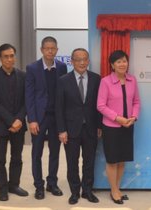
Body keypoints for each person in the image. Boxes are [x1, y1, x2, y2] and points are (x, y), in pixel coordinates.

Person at [56, 48, 101, 205]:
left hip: (91, 128)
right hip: (70, 129)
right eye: (78, 59)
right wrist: (61, 130)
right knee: (72, 162)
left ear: (88, 61)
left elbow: (99, 105)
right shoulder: (63, 80)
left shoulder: (97, 79)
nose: (82, 62)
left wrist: (99, 126)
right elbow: (59, 108)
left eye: (85, 59)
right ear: (72, 61)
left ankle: (87, 191)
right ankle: (74, 192)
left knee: (89, 162)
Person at [25, 36, 67, 199]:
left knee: (55, 152)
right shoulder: (32, 68)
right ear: (41, 50)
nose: (50, 51)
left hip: (56, 117)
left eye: (53, 48)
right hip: (39, 118)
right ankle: (39, 186)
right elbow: (29, 95)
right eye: (47, 48)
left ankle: (52, 183)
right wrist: (32, 119)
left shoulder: (62, 67)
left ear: (56, 50)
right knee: (37, 153)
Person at [97, 50, 141, 204]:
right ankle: (113, 190)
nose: (122, 64)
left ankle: (117, 188)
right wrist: (118, 118)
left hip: (128, 126)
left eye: (124, 61)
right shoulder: (105, 81)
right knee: (112, 160)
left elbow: (136, 102)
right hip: (111, 127)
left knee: (122, 160)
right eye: (118, 62)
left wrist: (133, 118)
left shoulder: (132, 80)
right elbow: (100, 106)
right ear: (112, 65)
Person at [0, 43, 28, 201]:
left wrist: (19, 119)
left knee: (17, 157)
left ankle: (14, 185)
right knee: (0, 159)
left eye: (12, 56)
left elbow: (27, 101)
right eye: (6, 56)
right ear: (0, 58)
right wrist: (12, 121)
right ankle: (2, 188)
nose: (9, 59)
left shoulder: (23, 76)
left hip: (19, 125)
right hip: (0, 125)